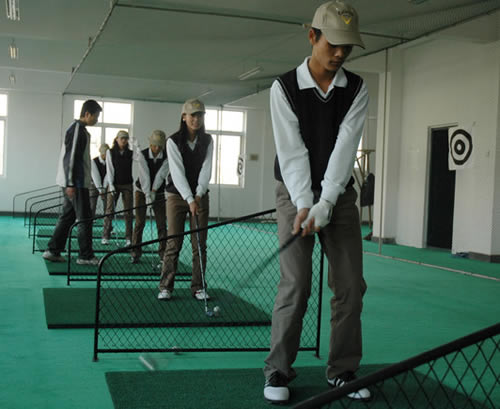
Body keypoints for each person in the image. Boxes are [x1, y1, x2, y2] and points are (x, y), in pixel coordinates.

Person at [263, 1, 371, 404]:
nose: (340, 53)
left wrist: (325, 203)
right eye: (333, 44)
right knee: (296, 284)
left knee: (350, 286)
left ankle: (343, 371)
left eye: (348, 47)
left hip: (338, 195)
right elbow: (292, 153)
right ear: (312, 36)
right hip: (293, 193)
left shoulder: (356, 88)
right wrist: (306, 204)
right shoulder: (283, 88)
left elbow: (345, 149)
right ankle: (277, 370)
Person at [157, 98, 213, 301]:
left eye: (200, 115)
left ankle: (198, 287)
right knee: (174, 242)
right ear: (184, 117)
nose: (196, 119)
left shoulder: (208, 140)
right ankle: (166, 286)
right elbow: (177, 173)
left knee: (199, 244)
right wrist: (189, 198)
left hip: (200, 195)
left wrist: (198, 195)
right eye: (192, 115)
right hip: (176, 196)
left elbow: (206, 169)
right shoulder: (173, 141)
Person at [42, 99, 102, 266]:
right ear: (87, 114)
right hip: (76, 183)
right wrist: (70, 183)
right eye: (96, 116)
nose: (97, 120)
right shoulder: (77, 130)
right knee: (85, 219)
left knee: (68, 217)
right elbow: (71, 157)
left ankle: (53, 250)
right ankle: (85, 256)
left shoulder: (80, 130)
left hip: (75, 182)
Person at [130, 130, 169, 264]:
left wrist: (153, 191)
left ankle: (163, 254)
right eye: (154, 145)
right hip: (141, 191)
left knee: (161, 224)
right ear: (150, 143)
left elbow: (161, 175)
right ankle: (135, 252)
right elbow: (144, 175)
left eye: (159, 145)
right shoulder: (143, 154)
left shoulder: (167, 157)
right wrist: (147, 193)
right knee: (140, 222)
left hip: (159, 193)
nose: (156, 148)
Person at [102, 130, 134, 246]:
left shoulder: (130, 153)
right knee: (109, 210)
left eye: (126, 138)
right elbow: (109, 169)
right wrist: (110, 184)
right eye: (122, 138)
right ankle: (105, 235)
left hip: (127, 184)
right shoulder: (110, 152)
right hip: (114, 184)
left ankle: (128, 238)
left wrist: (137, 145)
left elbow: (139, 158)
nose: (124, 140)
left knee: (128, 211)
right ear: (117, 139)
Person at [89, 143, 110, 218]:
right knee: (92, 204)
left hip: (105, 185)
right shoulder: (93, 161)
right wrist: (101, 190)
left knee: (107, 204)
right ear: (102, 154)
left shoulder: (109, 161)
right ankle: (90, 220)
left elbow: (108, 175)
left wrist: (104, 188)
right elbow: (96, 177)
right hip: (94, 184)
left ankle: (106, 221)